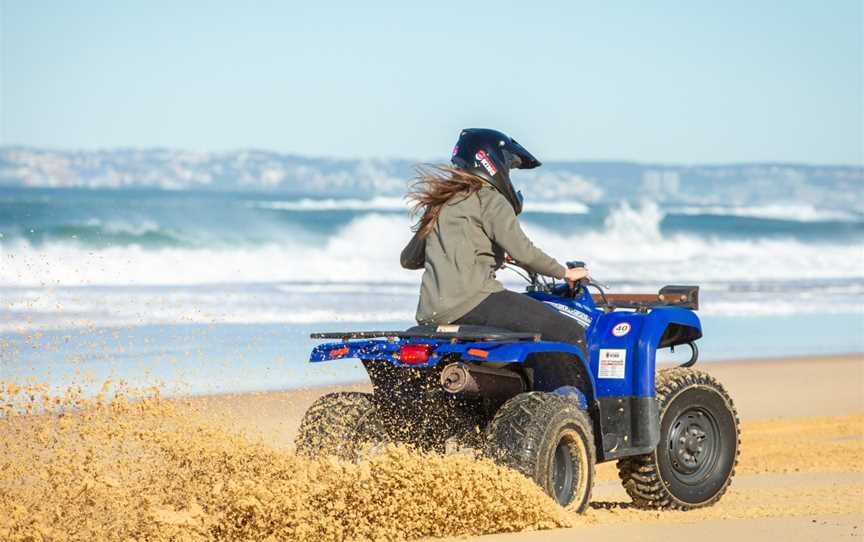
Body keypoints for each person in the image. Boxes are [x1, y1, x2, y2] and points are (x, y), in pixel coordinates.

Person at [400, 128, 588, 353]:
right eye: (509, 168)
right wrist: (565, 273)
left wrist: (458, 249)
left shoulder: (440, 203)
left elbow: (409, 259)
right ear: (492, 162)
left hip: (430, 311)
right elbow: (525, 252)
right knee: (570, 332)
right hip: (473, 300)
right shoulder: (489, 199)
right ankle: (571, 389)